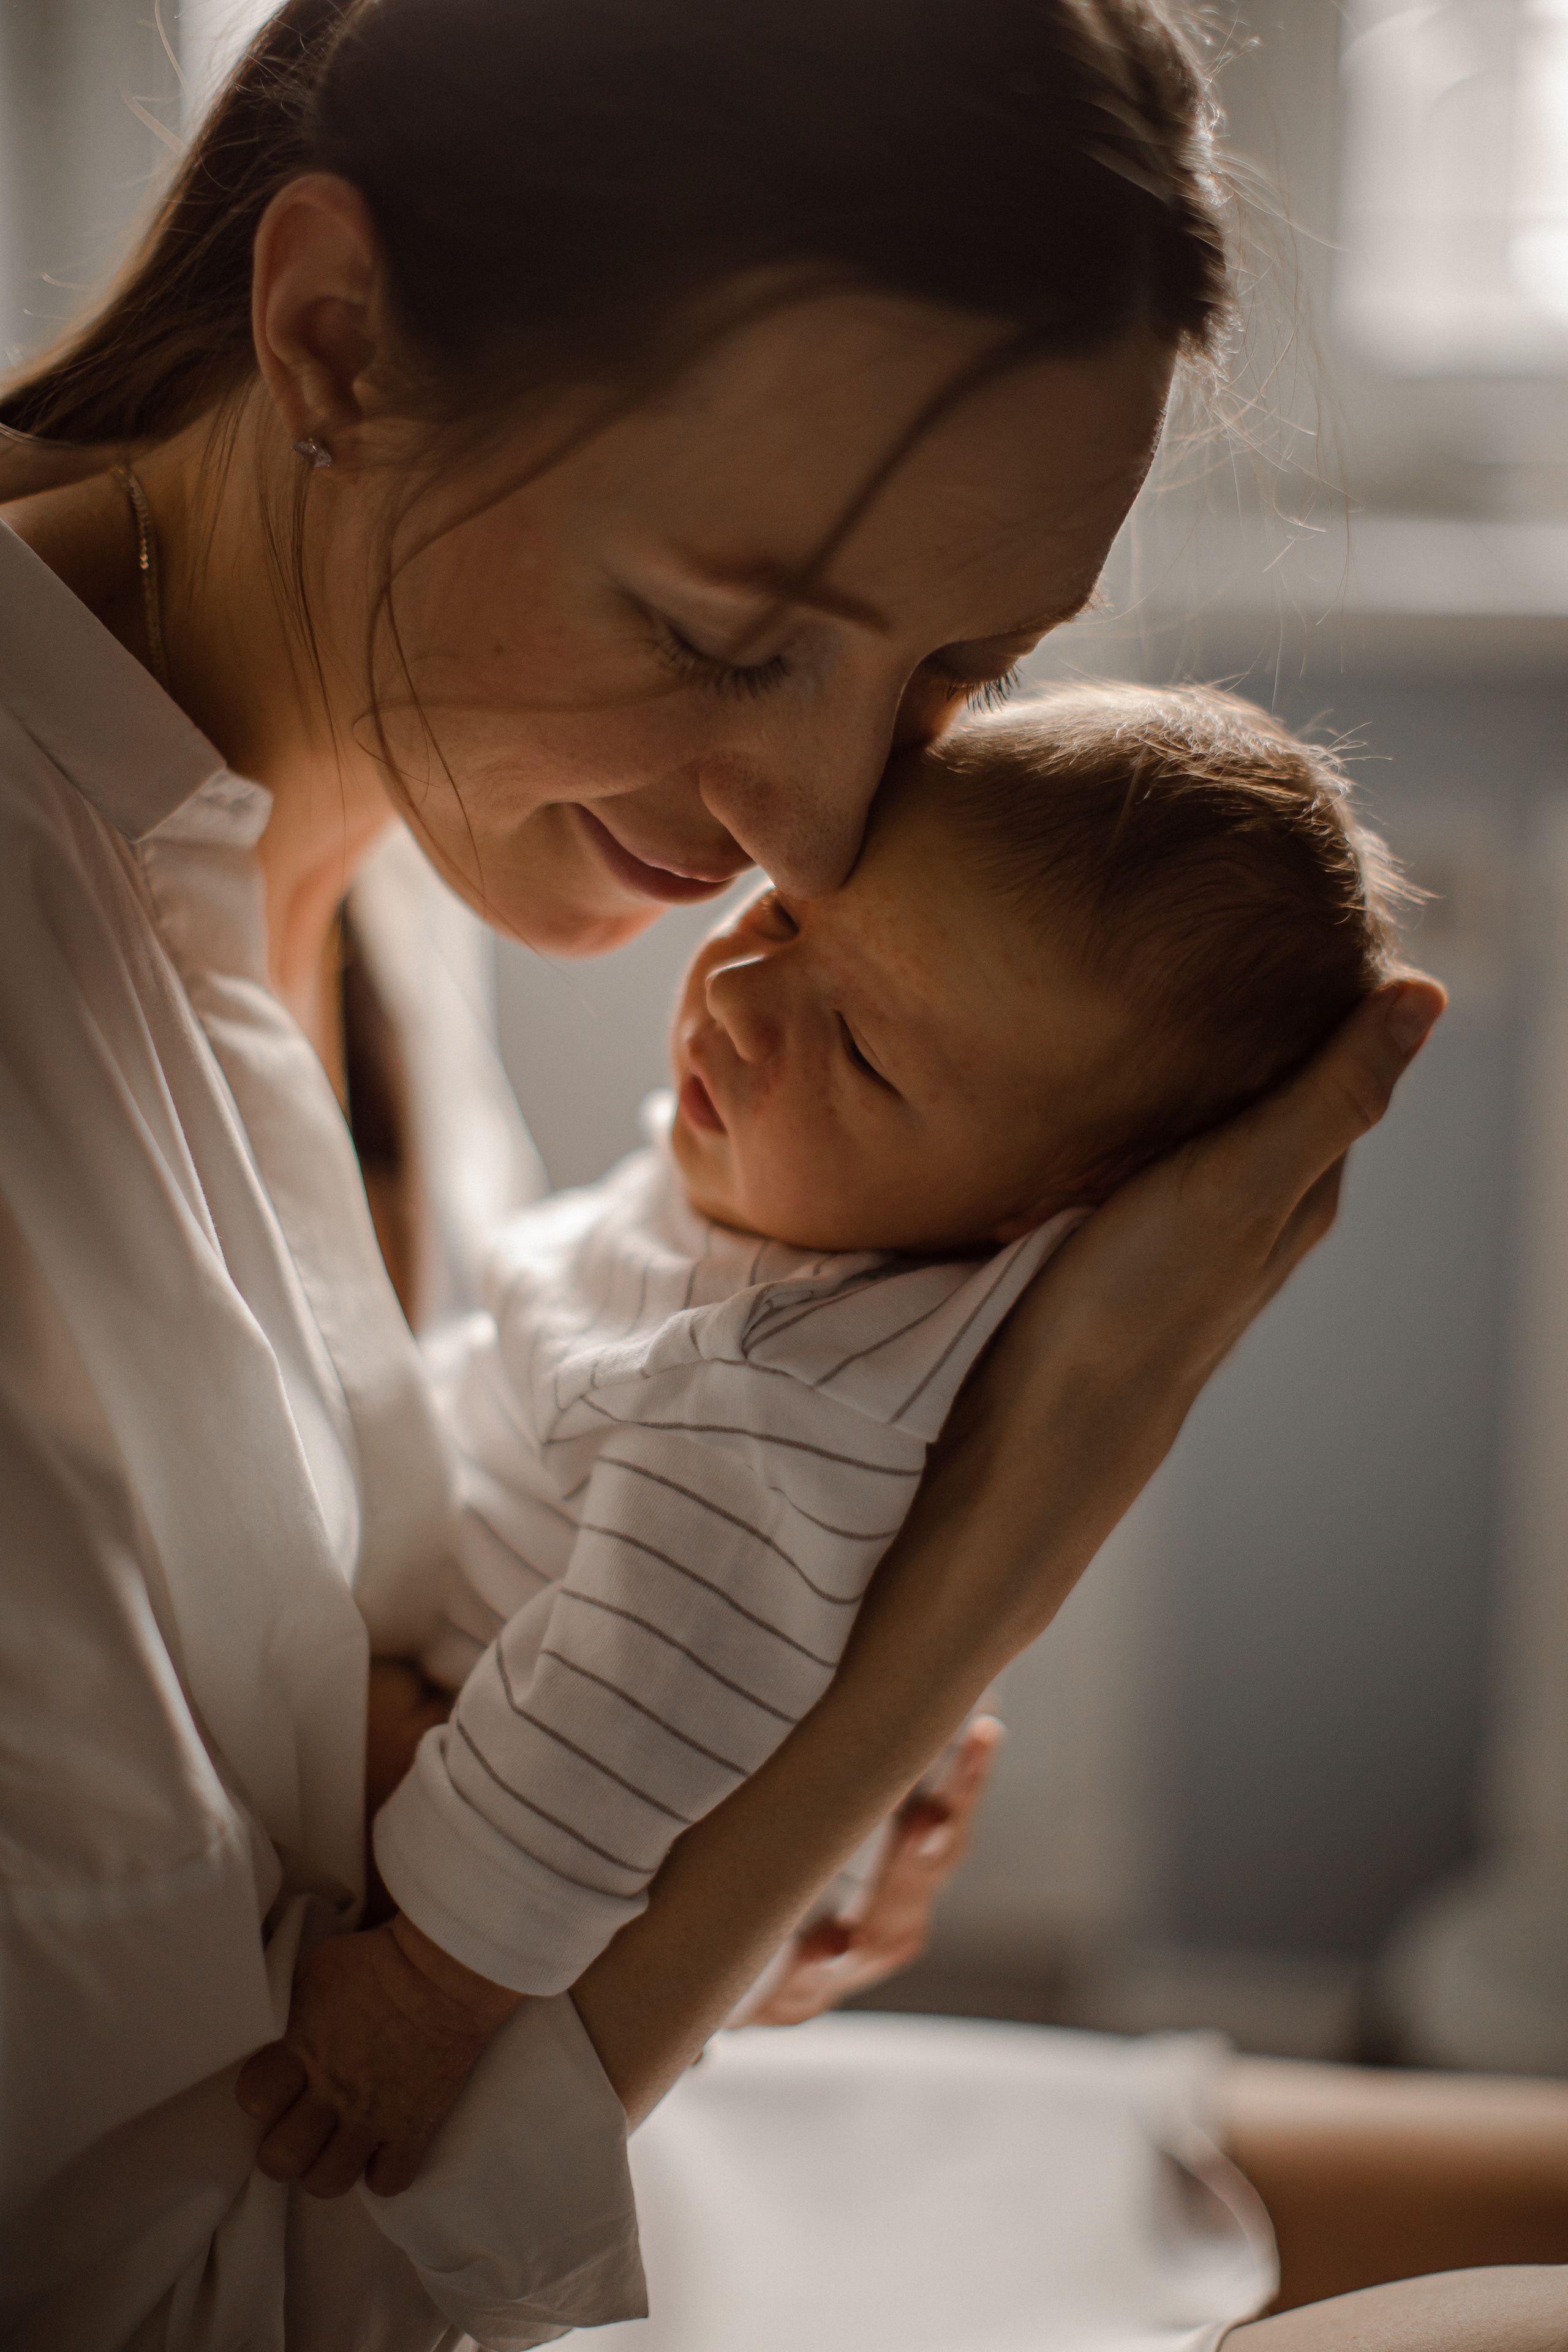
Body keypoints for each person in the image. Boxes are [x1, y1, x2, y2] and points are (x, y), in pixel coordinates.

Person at [0, 0, 1556, 2343]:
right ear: (334, 338)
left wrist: (735, 1810)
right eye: (726, 635)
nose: (819, 842)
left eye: (957, 670)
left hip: (545, 2127)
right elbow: (193, 2305)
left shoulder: (382, 774)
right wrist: (992, 1540)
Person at [352, 688, 1407, 2076]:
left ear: (1039, 1206)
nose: (737, 993)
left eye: (859, 1049)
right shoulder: (786, 1202)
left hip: (504, 1890)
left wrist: (427, 1984)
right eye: (784, 916)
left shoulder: (772, 1395)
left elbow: (611, 1730)